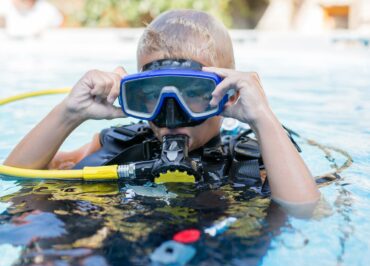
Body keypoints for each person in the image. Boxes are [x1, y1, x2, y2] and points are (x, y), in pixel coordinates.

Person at [4, 9, 320, 208]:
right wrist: (69, 114)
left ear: (230, 96)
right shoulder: (116, 144)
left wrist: (263, 118)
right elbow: (19, 182)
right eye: (153, 95)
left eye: (194, 94)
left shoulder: (254, 161)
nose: (171, 113)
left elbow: (305, 211)